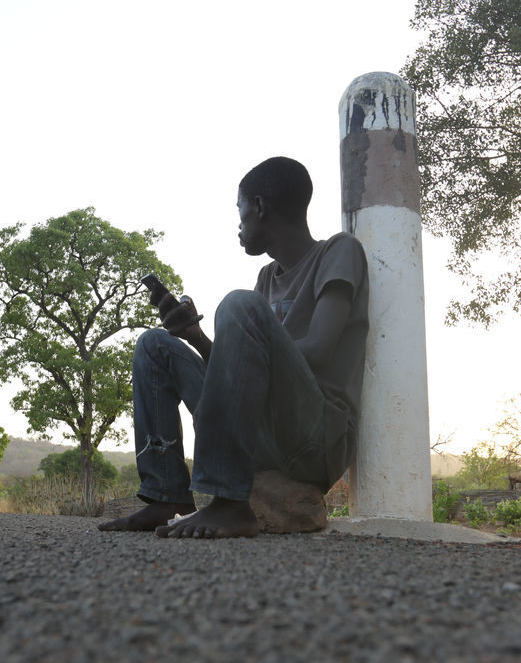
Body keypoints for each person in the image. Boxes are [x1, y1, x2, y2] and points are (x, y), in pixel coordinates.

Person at [98, 156, 369, 538]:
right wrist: (196, 337)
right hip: (264, 432)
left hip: (314, 439)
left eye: (240, 210)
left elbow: (320, 350)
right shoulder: (266, 278)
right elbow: (244, 376)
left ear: (259, 206)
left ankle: (230, 502)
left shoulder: (339, 252)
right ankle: (168, 495)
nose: (239, 223)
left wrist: (245, 335)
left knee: (237, 304)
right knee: (155, 345)